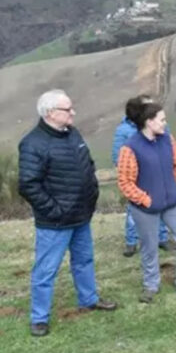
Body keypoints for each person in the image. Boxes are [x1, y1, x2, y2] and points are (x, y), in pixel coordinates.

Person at [18, 90, 116, 337]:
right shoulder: (32, 143)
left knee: (84, 261)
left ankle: (89, 300)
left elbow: (87, 164)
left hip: (81, 215)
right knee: (46, 270)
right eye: (67, 109)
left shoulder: (73, 134)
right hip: (54, 223)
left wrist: (91, 193)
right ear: (50, 113)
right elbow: (28, 184)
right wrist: (55, 210)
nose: (73, 112)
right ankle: (39, 318)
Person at [117, 102, 176, 303]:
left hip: (172, 203)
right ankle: (151, 285)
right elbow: (125, 182)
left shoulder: (167, 139)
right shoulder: (130, 148)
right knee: (149, 248)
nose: (165, 123)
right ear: (149, 122)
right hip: (146, 209)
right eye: (162, 119)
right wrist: (146, 200)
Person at [112, 94, 170, 256]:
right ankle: (132, 242)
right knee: (134, 210)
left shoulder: (162, 127)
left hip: (158, 176)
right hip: (137, 179)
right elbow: (118, 156)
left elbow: (169, 150)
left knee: (162, 205)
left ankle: (162, 238)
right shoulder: (124, 130)